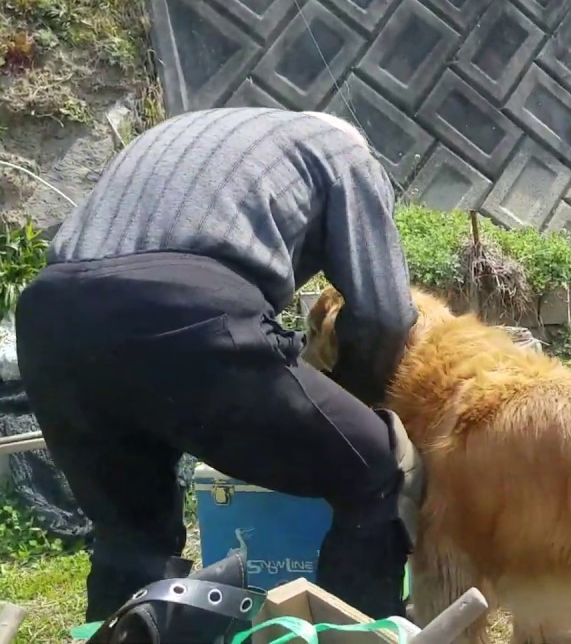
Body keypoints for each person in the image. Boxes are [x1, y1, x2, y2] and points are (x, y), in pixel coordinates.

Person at [14, 107, 423, 623]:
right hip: (184, 308)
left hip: (50, 317)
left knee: (132, 533)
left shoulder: (189, 134)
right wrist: (355, 405)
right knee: (376, 468)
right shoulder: (344, 153)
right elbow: (385, 316)